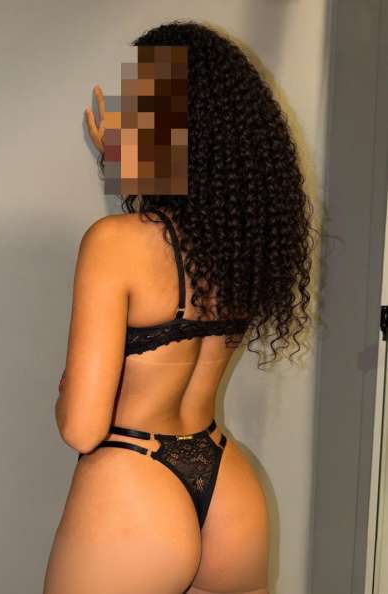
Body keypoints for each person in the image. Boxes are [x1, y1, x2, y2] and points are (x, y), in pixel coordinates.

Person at [43, 20, 316, 594]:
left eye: (140, 106)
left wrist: (67, 389)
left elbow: (82, 428)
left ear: (173, 128)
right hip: (228, 488)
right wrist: (124, 165)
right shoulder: (239, 245)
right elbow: (174, 236)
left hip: (132, 484)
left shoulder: (114, 243)